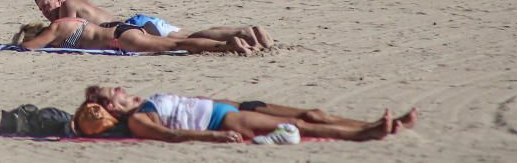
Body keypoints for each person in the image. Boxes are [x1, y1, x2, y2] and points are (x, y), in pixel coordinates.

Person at [76, 86, 417, 143]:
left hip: (233, 107)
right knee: (299, 125)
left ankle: (375, 123)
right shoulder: (138, 120)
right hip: (223, 121)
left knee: (314, 113)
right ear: (109, 108)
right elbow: (172, 136)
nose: (120, 88)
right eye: (113, 92)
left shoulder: (144, 103)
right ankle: (365, 134)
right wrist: (213, 135)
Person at [33, 0, 275, 49]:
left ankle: (237, 38)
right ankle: (244, 32)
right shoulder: (80, 2)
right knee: (191, 35)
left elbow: (67, 33)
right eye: (42, 11)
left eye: (46, 6)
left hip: (130, 28)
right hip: (138, 20)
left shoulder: (69, 7)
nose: (47, 13)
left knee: (185, 42)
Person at [12, 19, 256, 56]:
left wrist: (13, 45)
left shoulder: (54, 28)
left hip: (121, 38)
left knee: (177, 44)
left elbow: (28, 47)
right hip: (124, 29)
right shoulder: (68, 22)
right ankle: (238, 35)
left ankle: (227, 45)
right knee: (178, 40)